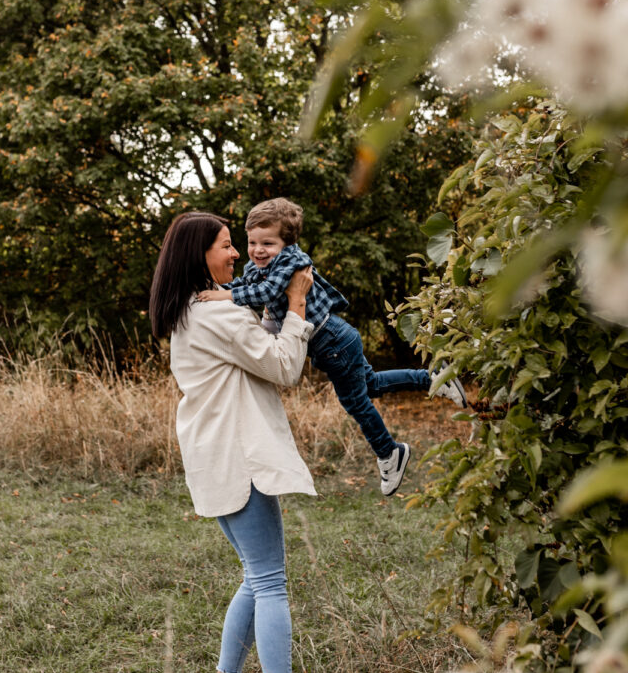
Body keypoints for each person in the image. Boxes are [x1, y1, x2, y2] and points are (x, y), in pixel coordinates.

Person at [149, 210, 317, 673]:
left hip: (213, 458)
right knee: (271, 582)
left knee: (257, 575)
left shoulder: (190, 312)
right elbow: (285, 366)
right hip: (238, 459)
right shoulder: (217, 316)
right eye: (226, 246)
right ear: (200, 255)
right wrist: (295, 306)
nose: (237, 255)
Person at [198, 197, 467, 497]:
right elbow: (244, 285)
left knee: (355, 402)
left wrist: (223, 298)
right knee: (372, 385)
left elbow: (267, 292)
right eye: (252, 242)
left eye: (268, 243)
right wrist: (217, 290)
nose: (258, 250)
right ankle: (433, 378)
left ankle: (389, 452)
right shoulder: (258, 264)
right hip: (334, 338)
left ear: (286, 244)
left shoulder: (291, 261)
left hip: (332, 340)